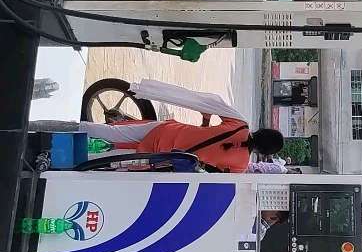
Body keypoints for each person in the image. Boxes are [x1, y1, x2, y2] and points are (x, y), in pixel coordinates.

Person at [31, 80, 284, 174]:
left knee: (100, 131)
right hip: (159, 157)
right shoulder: (239, 167)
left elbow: (210, 104)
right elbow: (206, 164)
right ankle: (55, 161)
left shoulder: (239, 124)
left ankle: (36, 126)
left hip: (164, 131)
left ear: (262, 131)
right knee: (104, 158)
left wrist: (206, 120)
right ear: (264, 152)